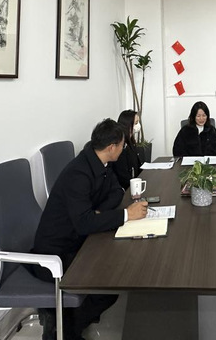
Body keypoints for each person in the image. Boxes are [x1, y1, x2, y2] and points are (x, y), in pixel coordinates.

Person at [32, 119, 149, 340]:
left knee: (118, 268)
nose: (124, 149)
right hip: (57, 252)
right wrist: (126, 215)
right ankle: (63, 331)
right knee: (109, 285)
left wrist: (99, 214)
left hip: (80, 239)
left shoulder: (101, 162)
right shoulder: (78, 173)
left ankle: (65, 323)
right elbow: (84, 223)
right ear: (111, 147)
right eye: (122, 145)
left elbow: (116, 192)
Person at [110, 109, 143, 190]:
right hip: (127, 189)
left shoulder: (131, 142)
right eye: (136, 123)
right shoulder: (120, 147)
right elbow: (123, 177)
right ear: (128, 125)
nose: (138, 125)